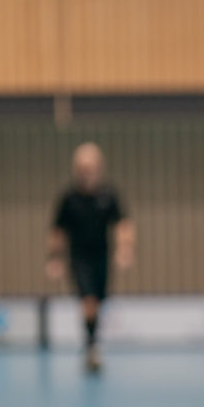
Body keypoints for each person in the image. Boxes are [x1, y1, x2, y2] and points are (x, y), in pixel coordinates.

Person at [46, 142, 135, 373]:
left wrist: (125, 250)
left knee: (99, 302)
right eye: (82, 167)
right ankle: (91, 347)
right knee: (88, 301)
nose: (87, 172)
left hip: (101, 256)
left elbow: (123, 224)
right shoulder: (69, 198)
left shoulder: (108, 195)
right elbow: (58, 231)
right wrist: (54, 258)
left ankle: (92, 341)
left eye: (91, 167)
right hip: (79, 258)